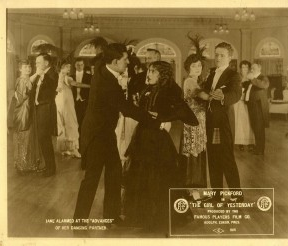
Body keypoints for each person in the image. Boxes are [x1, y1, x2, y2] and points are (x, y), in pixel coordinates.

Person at [73, 43, 163, 228]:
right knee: (92, 178)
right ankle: (79, 222)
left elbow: (105, 60)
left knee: (114, 174)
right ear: (114, 62)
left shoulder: (102, 69)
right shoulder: (108, 84)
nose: (127, 62)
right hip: (97, 137)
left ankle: (111, 217)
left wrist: (129, 53)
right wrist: (152, 119)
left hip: (104, 134)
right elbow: (126, 108)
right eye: (125, 60)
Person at [124, 61, 198, 232]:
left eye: (152, 72)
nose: (148, 74)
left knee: (157, 177)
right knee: (142, 175)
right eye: (148, 70)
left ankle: (159, 218)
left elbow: (187, 114)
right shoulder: (147, 89)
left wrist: (163, 117)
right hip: (143, 137)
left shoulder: (170, 90)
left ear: (162, 75)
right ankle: (144, 217)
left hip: (157, 140)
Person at [204, 42, 243, 202]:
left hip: (222, 123)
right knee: (213, 157)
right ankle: (217, 195)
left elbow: (236, 94)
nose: (218, 58)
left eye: (222, 55)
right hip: (211, 122)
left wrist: (223, 97)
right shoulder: (212, 73)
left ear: (229, 57)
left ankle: (236, 195)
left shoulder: (233, 75)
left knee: (226, 156)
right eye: (217, 54)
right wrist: (201, 93)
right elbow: (207, 91)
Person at [7, 60, 43, 174]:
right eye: (25, 67)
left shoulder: (24, 79)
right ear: (20, 69)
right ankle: (21, 165)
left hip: (27, 110)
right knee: (23, 137)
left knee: (27, 137)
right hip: (23, 112)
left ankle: (26, 164)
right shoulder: (22, 80)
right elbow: (23, 96)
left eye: (29, 67)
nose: (28, 69)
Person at [181, 54, 209, 187]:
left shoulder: (198, 81)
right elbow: (203, 96)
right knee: (194, 152)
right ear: (188, 68)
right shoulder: (190, 81)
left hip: (200, 121)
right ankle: (193, 187)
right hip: (193, 121)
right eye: (194, 66)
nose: (197, 68)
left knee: (198, 151)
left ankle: (196, 186)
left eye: (199, 65)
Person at [29, 53, 58, 177]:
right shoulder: (41, 74)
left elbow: (52, 86)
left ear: (46, 63)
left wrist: (42, 75)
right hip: (39, 108)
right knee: (42, 139)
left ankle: (51, 169)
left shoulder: (52, 73)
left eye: (38, 62)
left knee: (44, 138)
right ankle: (48, 166)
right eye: (36, 63)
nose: (36, 65)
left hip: (46, 109)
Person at [55, 61, 90, 157]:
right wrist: (90, 86)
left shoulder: (60, 77)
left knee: (63, 124)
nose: (69, 69)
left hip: (61, 102)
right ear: (62, 67)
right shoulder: (66, 77)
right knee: (71, 123)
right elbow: (77, 84)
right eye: (67, 67)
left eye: (69, 67)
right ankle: (74, 149)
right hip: (65, 103)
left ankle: (66, 148)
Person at [245, 63, 270, 155]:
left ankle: (260, 150)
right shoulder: (253, 79)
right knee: (255, 127)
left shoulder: (263, 77)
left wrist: (252, 79)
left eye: (254, 68)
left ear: (259, 68)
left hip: (258, 107)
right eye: (251, 68)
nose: (251, 70)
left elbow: (264, 85)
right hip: (253, 106)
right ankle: (258, 147)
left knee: (259, 128)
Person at [234, 60, 255, 151]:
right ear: (240, 68)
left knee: (249, 122)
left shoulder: (251, 78)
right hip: (239, 102)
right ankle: (241, 143)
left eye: (246, 67)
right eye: (243, 67)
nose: (244, 69)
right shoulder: (238, 78)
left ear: (249, 68)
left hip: (249, 103)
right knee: (240, 123)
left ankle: (250, 143)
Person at [71, 58, 92, 137]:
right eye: (78, 65)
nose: (80, 66)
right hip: (74, 102)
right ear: (75, 66)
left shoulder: (89, 76)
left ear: (83, 65)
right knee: (75, 122)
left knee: (85, 123)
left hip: (85, 102)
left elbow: (93, 88)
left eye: (81, 65)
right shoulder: (71, 76)